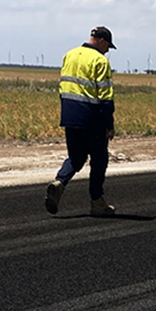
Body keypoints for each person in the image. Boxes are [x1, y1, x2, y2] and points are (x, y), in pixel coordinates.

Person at [45, 26, 118, 217]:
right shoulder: (100, 61)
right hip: (92, 118)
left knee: (76, 158)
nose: (108, 51)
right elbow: (105, 96)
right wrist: (109, 124)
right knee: (99, 160)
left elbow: (62, 87)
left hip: (70, 116)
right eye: (108, 46)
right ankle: (97, 202)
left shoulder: (70, 55)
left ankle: (59, 183)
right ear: (102, 41)